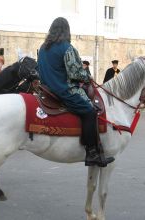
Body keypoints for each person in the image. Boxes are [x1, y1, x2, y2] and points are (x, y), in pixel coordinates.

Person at [37, 17, 114, 167]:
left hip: (47, 90)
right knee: (90, 111)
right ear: (66, 30)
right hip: (63, 89)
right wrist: (87, 76)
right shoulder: (67, 48)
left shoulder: (43, 47)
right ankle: (92, 152)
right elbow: (76, 73)